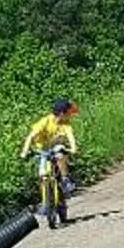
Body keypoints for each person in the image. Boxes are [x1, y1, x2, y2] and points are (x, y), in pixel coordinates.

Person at [20, 96, 78, 226]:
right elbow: (30, 137)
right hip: (43, 150)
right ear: (62, 113)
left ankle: (65, 179)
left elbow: (70, 136)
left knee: (60, 154)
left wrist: (73, 148)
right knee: (42, 175)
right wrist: (24, 151)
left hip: (56, 148)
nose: (70, 116)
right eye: (69, 113)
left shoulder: (65, 124)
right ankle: (46, 202)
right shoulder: (45, 122)